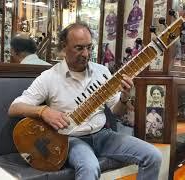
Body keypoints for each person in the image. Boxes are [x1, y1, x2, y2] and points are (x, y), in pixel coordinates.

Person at [8, 22, 162, 180]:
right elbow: (14, 108)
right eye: (79, 48)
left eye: (89, 47)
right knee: (89, 167)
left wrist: (124, 97)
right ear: (64, 47)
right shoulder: (49, 77)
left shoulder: (101, 72)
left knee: (153, 156)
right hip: (71, 140)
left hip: (103, 135)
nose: (86, 54)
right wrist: (44, 111)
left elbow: (116, 112)